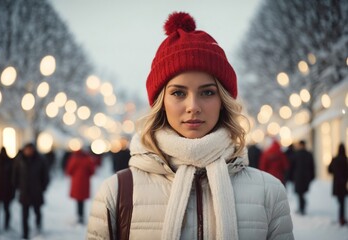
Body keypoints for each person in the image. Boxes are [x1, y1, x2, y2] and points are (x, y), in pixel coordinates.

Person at [87, 12, 294, 239]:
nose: (193, 106)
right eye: (178, 92)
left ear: (223, 101)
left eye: (207, 92)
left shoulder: (268, 193)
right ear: (161, 102)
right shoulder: (117, 192)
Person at [12, 143, 49, 239]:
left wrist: (43, 187)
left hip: (36, 191)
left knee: (37, 211)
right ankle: (25, 233)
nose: (28, 151)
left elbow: (45, 175)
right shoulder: (20, 160)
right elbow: (15, 175)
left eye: (30, 149)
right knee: (24, 215)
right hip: (24, 192)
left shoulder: (40, 160)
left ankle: (38, 227)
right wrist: (17, 187)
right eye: (26, 149)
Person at [66, 149, 95, 224]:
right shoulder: (88, 159)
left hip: (76, 182)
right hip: (85, 183)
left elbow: (69, 171)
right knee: (82, 201)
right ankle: (81, 215)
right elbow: (92, 171)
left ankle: (79, 215)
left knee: (78, 200)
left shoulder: (74, 159)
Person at [0, 147, 15, 232]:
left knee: (5, 209)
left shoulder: (9, 162)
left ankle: (6, 225)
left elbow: (13, 178)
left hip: (5, 191)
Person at [291, 140, 315, 215]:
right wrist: (312, 176)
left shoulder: (296, 154)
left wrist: (291, 177)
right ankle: (302, 206)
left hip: (298, 176)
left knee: (299, 193)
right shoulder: (309, 154)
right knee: (302, 192)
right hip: (306, 176)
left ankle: (302, 207)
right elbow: (312, 166)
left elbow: (292, 167)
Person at [328, 143, 348, 226]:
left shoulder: (335, 159)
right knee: (342, 202)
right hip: (343, 184)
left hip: (336, 184)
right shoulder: (346, 160)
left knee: (340, 202)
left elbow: (329, 170)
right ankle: (341, 218)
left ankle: (341, 218)